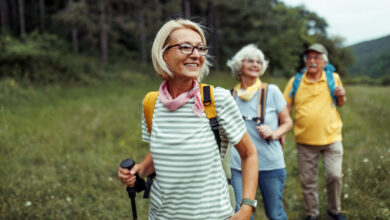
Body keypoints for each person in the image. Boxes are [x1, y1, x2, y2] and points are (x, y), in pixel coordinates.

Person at [117, 19, 258, 220]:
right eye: (185, 47)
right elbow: (163, 156)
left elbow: (249, 154)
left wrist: (247, 207)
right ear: (164, 53)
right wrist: (139, 170)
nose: (195, 54)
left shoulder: (217, 100)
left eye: (200, 48)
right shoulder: (151, 103)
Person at [226, 44, 293, 220]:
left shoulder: (272, 91)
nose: (256, 64)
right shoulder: (229, 96)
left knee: (275, 213)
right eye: (250, 60)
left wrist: (274, 133)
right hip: (238, 166)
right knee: (242, 214)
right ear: (239, 65)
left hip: (270, 164)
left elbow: (287, 122)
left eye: (259, 61)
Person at [283, 43, 347, 220]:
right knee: (308, 181)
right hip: (305, 140)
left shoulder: (333, 77)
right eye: (309, 58)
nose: (312, 61)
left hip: (331, 137)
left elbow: (340, 102)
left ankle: (334, 211)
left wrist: (341, 95)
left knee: (334, 175)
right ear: (305, 61)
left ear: (324, 62)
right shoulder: (295, 81)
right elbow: (285, 108)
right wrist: (280, 131)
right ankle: (312, 214)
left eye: (316, 58)